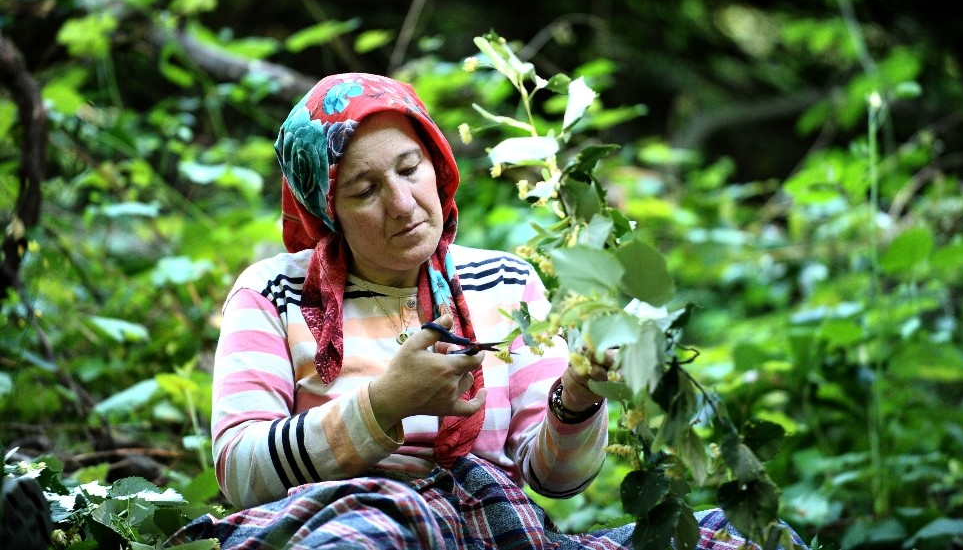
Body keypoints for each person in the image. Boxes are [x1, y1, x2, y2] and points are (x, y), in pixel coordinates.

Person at [167, 73, 805, 549]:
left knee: (754, 537)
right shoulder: (274, 295)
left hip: (493, 525)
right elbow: (241, 472)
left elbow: (553, 479)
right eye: (364, 190)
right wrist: (385, 404)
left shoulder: (502, 282)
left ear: (438, 164)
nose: (403, 202)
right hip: (352, 524)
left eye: (410, 168)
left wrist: (577, 396)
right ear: (326, 210)